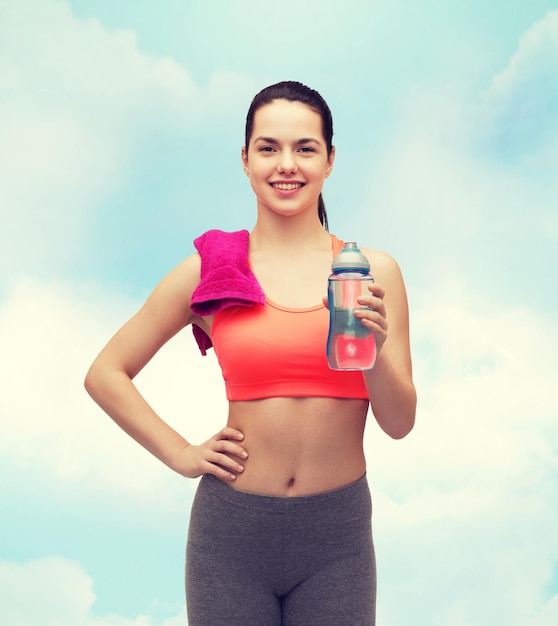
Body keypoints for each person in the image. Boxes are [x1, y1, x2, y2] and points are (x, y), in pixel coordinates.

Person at [84, 80, 416, 626]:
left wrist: (374, 352)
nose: (287, 164)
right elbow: (106, 372)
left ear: (331, 160)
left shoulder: (371, 273)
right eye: (268, 148)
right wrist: (181, 453)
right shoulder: (211, 270)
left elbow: (399, 424)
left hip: (338, 537)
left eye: (305, 148)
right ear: (245, 159)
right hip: (231, 535)